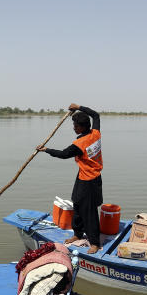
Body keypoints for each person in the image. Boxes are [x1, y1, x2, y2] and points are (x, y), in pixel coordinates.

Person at [36, 103, 103, 254]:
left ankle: (94, 242)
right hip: (83, 176)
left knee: (89, 211)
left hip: (90, 180)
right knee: (77, 203)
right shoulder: (96, 133)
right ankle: (78, 233)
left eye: (75, 125)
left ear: (82, 127)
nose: (74, 128)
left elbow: (64, 154)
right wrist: (79, 107)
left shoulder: (80, 144)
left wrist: (46, 150)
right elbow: (96, 115)